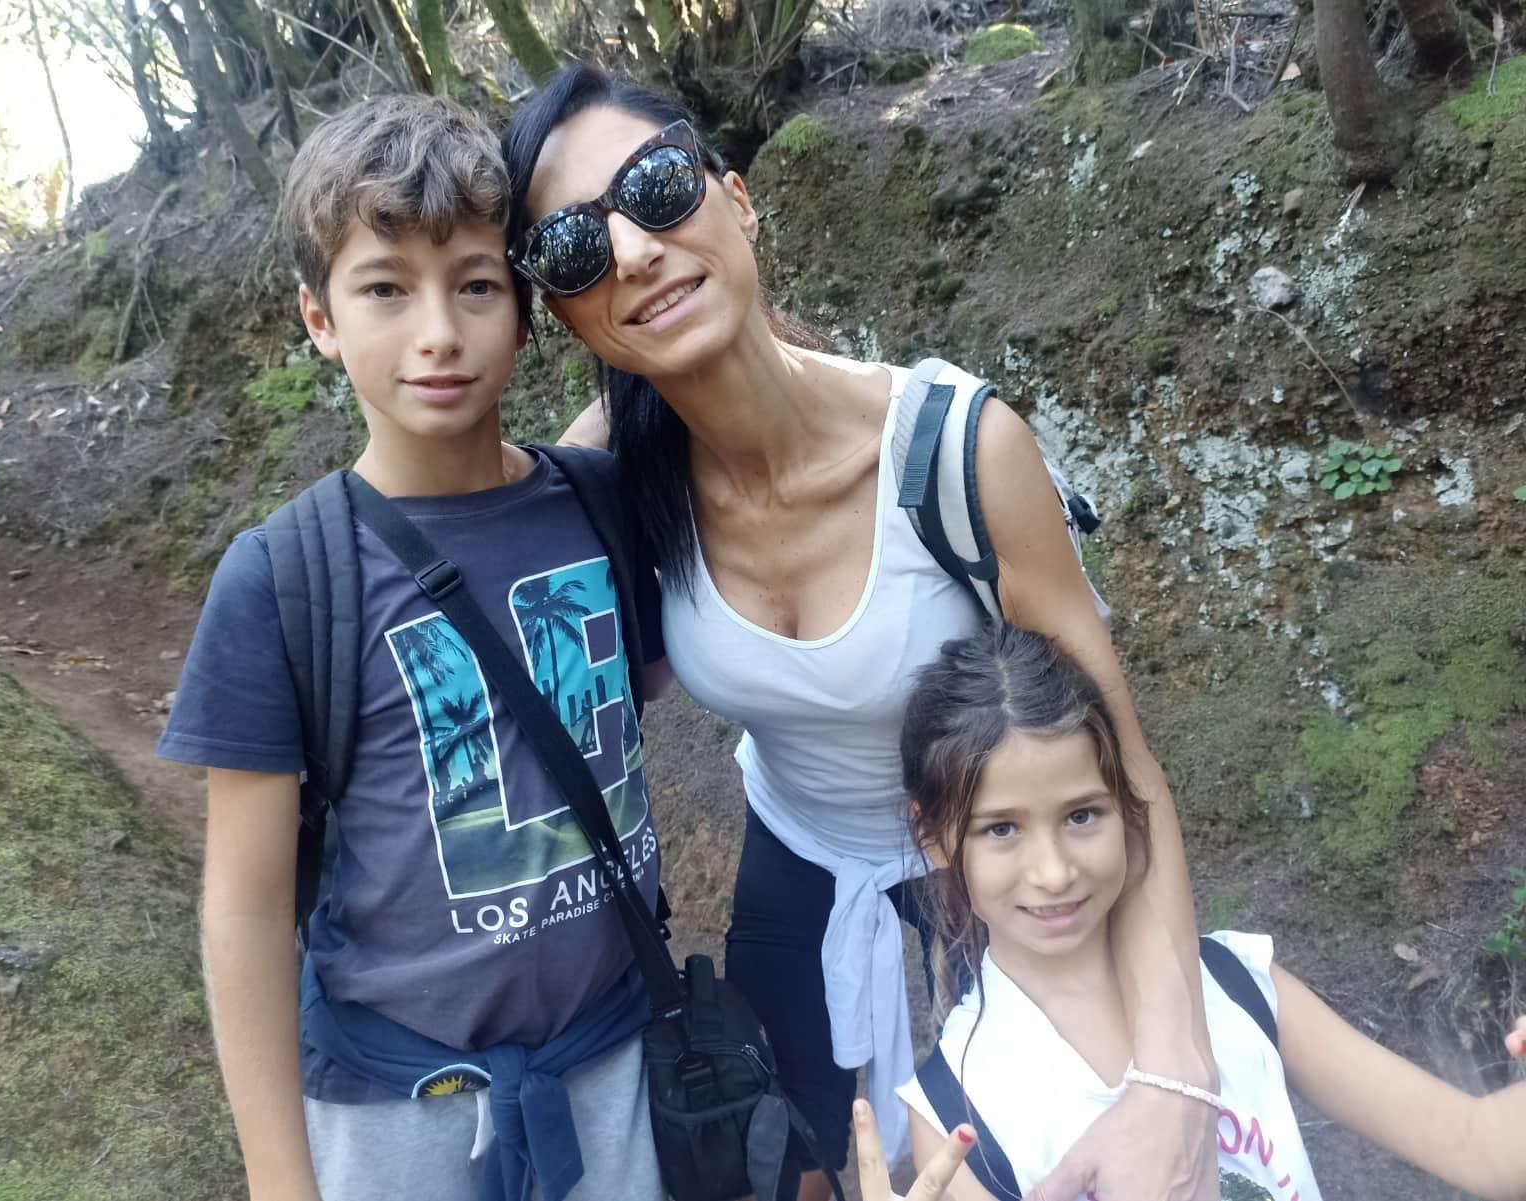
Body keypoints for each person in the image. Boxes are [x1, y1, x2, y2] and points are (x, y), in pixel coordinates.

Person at [504, 67, 1220, 1200]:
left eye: (656, 188)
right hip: (795, 859)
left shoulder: (956, 450)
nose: (632, 251)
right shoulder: (609, 478)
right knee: (785, 1167)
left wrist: (1178, 1073)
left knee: (1038, 1162)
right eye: (574, 246)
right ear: (562, 308)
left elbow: (1124, 770)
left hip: (999, 863)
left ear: (737, 199)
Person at [157, 94, 668, 1201]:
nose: (438, 332)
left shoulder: (602, 507)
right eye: (385, 288)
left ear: (525, 313)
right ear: (319, 317)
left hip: (621, 1069)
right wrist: (281, 1180)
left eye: (475, 284)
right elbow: (245, 907)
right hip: (396, 1114)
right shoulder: (282, 579)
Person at [892, 623, 1526, 1201]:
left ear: (1130, 807)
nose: (1054, 872)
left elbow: (1477, 1145)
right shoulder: (954, 1108)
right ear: (933, 835)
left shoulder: (1234, 980)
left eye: (1082, 815)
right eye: (1001, 829)